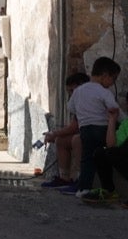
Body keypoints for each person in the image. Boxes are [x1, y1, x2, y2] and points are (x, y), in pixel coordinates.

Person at [45, 57, 121, 202]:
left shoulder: (79, 91)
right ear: (105, 76)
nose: (113, 83)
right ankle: (107, 188)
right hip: (102, 128)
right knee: (102, 156)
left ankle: (83, 188)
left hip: (85, 129)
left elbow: (70, 107)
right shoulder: (104, 92)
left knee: (87, 159)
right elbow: (114, 109)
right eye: (113, 79)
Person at [40, 72, 89, 192]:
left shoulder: (88, 100)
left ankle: (80, 180)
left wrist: (54, 133)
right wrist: (56, 135)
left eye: (73, 90)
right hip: (84, 133)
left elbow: (74, 127)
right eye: (70, 92)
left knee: (77, 140)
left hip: (93, 134)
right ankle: (64, 178)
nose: (72, 95)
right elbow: (74, 125)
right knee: (61, 141)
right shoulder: (77, 103)